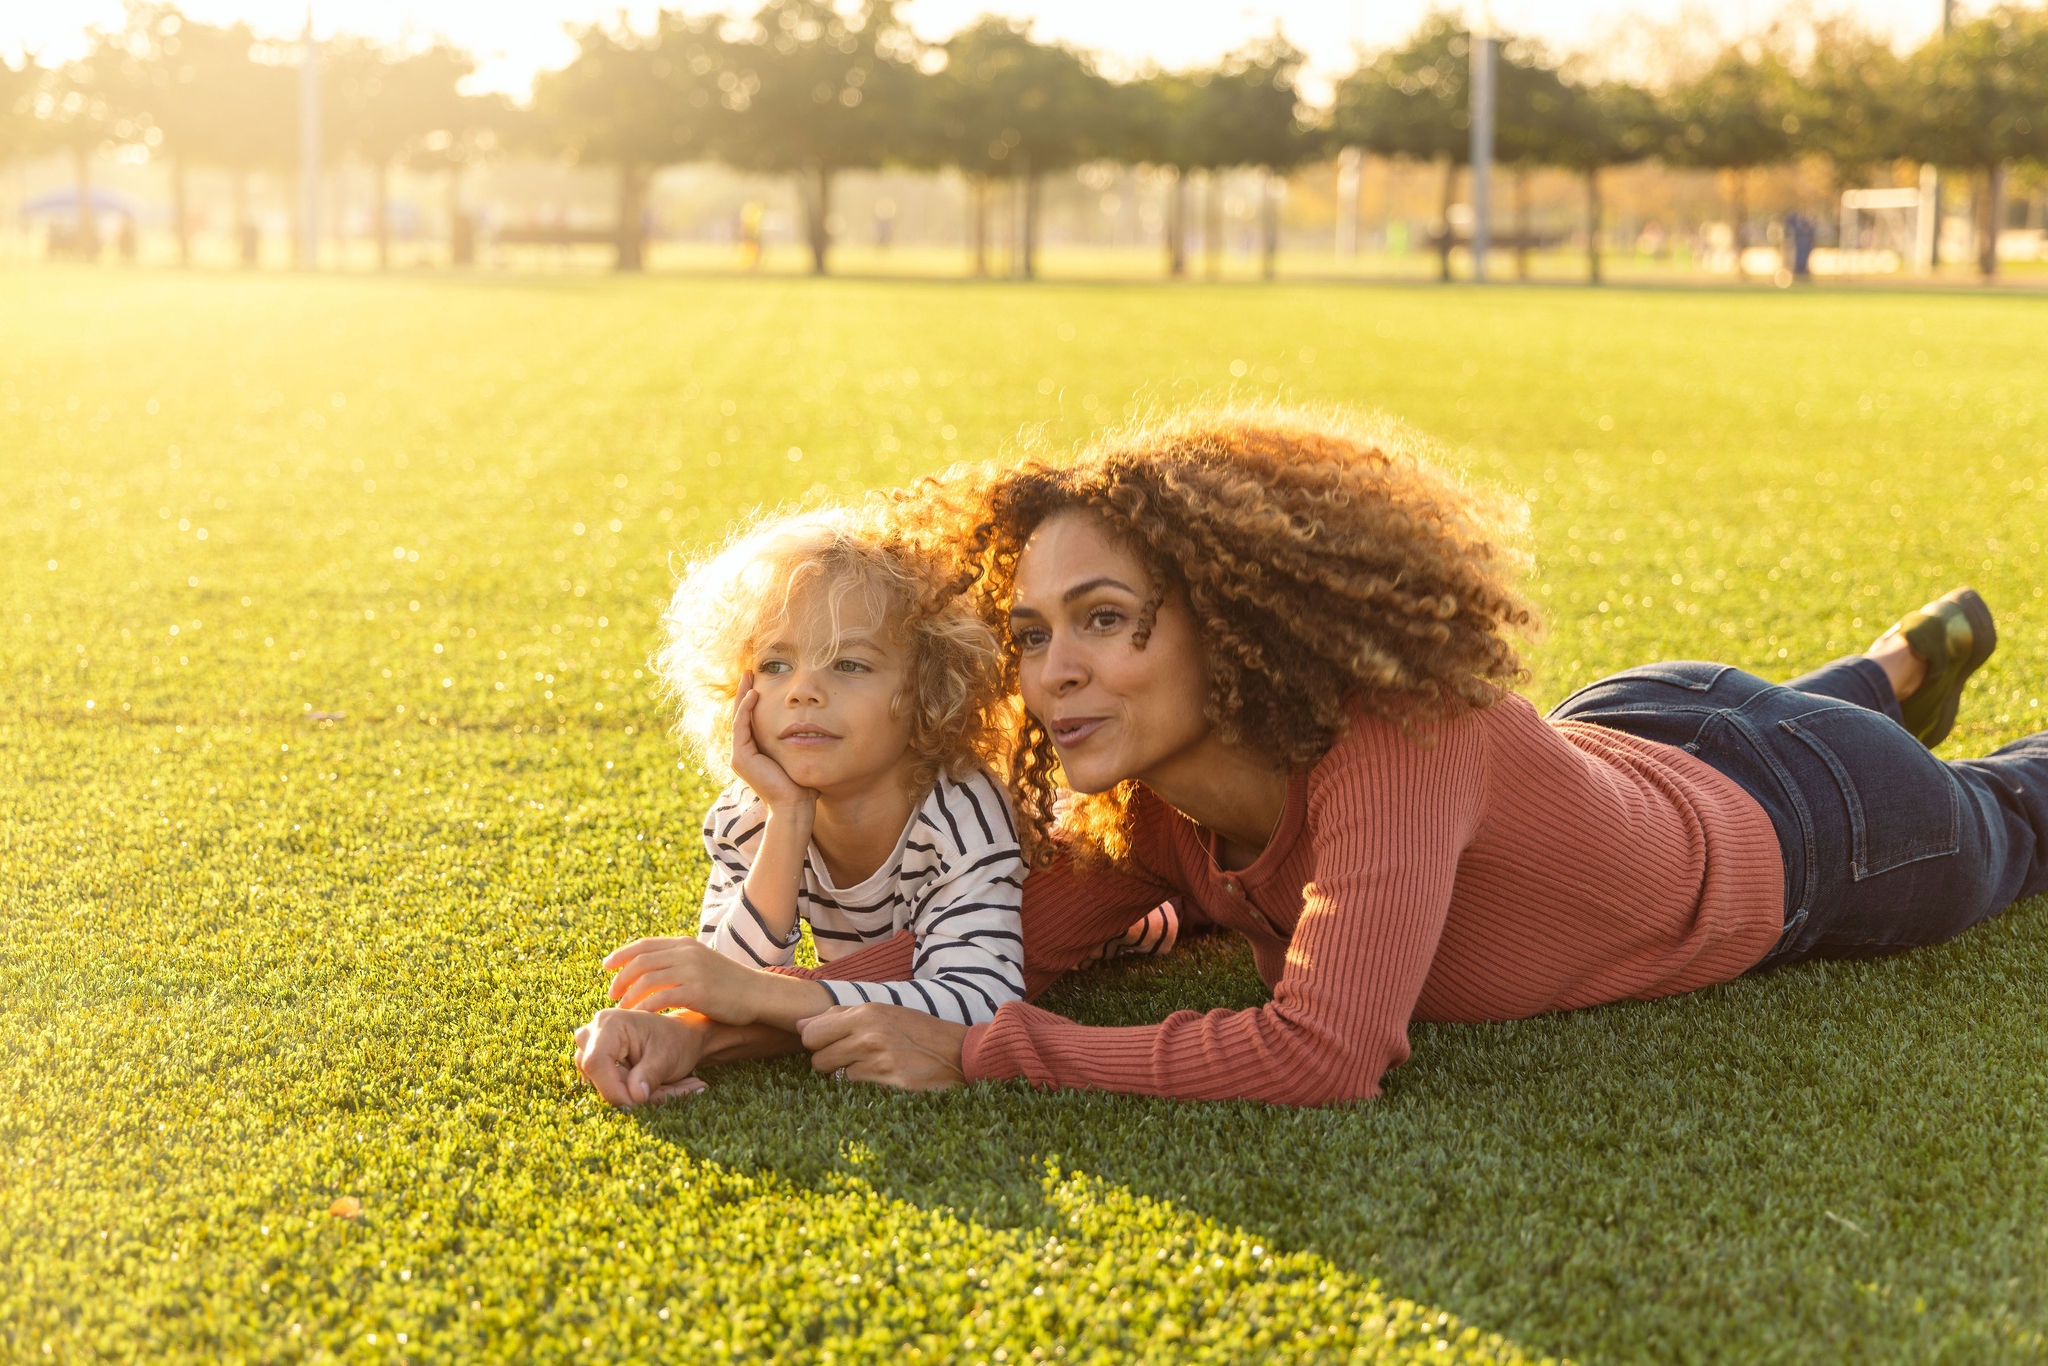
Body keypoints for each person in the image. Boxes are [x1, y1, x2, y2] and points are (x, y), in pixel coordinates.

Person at [574, 411, 2048, 1107]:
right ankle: (1895, 666)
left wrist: (983, 1054)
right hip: (1642, 726)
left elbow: (1326, 1050)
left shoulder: (1398, 746)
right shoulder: (1149, 805)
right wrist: (724, 1024)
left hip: (1815, 835)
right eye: (1029, 634)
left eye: (1104, 621)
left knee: (2011, 816)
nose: (1053, 671)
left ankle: (1890, 702)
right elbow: (980, 951)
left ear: (1234, 626)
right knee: (1771, 721)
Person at [589, 506, 1029, 1098]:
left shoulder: (960, 813)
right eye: (775, 664)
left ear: (928, 692)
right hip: (858, 953)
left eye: (849, 663)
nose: (803, 691)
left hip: (1086, 908)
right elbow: (727, 987)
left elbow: (980, 1001)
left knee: (1149, 928)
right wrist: (789, 816)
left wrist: (760, 996)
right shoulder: (749, 814)